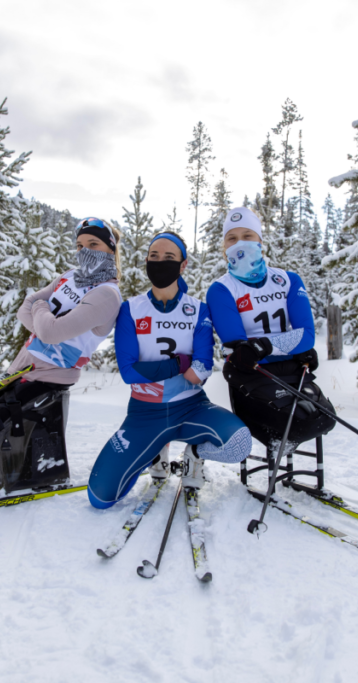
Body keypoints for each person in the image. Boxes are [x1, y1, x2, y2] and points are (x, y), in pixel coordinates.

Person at [0, 218, 123, 487]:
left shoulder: (107, 294)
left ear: (110, 249)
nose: (84, 251)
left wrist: (42, 313)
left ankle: (29, 474)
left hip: (51, 377)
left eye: (93, 244)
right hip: (21, 366)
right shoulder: (68, 276)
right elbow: (25, 308)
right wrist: (45, 325)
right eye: (79, 245)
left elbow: (46, 325)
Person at [87, 232, 251, 509]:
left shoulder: (199, 310)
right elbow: (129, 373)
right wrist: (179, 364)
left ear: (183, 265)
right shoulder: (130, 309)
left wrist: (178, 368)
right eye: (154, 257)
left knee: (239, 444)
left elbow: (201, 369)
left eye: (169, 258)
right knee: (100, 497)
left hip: (191, 408)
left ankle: (194, 454)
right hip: (144, 414)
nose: (160, 262)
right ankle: (155, 452)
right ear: (147, 261)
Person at [206, 207, 335, 451]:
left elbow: (307, 335)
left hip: (291, 370)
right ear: (224, 247)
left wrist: (265, 345)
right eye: (231, 238)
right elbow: (241, 349)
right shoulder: (221, 289)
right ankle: (275, 437)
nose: (240, 244)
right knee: (297, 422)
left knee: (324, 416)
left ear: (260, 241)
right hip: (252, 372)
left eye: (247, 235)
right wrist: (288, 344)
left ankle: (284, 438)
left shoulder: (288, 280)